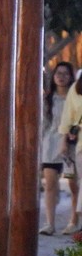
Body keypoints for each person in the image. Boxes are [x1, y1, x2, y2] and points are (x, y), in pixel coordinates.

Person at [47, 62, 80, 234]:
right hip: (51, 145)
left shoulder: (75, 95)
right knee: (51, 184)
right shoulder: (47, 98)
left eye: (65, 73)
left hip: (73, 145)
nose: (61, 77)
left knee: (74, 185)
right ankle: (50, 223)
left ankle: (74, 221)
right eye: (58, 73)